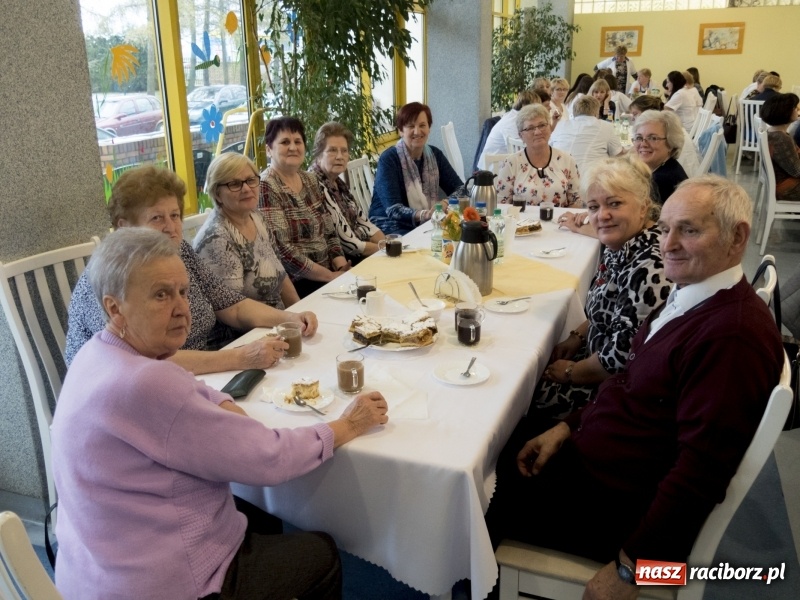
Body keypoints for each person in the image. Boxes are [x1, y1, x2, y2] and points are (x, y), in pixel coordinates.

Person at [486, 175, 784, 600]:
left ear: (737, 237)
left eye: (690, 230)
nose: (668, 244)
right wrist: (567, 426)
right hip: (601, 463)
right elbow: (628, 382)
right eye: (665, 229)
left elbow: (700, 473)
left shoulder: (732, 338)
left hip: (615, 509)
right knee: (502, 437)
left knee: (477, 485)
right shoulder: (693, 295)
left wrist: (631, 570)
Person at [53, 227, 389, 600]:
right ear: (114, 307)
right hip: (164, 583)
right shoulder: (145, 384)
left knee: (253, 512)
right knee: (321, 552)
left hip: (93, 570)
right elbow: (268, 458)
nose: (182, 308)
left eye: (183, 291)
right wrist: (348, 424)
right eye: (161, 295)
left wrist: (220, 404)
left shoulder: (97, 355)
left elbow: (186, 392)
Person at [65, 165, 318, 375]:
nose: (171, 227)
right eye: (157, 218)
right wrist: (240, 357)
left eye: (175, 216)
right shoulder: (106, 279)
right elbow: (144, 362)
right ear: (124, 226)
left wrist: (291, 318)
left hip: (202, 373)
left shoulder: (178, 252)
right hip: (131, 397)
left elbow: (233, 305)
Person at [532, 155, 669, 421]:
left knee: (525, 391)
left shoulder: (650, 267)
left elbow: (620, 359)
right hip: (595, 356)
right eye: (593, 207)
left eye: (614, 204)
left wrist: (571, 372)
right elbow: (605, 309)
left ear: (643, 207)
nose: (602, 216)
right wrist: (577, 336)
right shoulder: (621, 245)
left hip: (617, 390)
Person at [193, 153, 301, 309]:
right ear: (217, 194)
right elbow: (235, 308)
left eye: (251, 180)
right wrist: (289, 319)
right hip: (247, 330)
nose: (246, 189)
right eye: (235, 184)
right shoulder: (216, 238)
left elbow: (280, 273)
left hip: (278, 318)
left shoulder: (256, 216)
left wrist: (299, 311)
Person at [259, 116, 350, 298]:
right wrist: (330, 277)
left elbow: (329, 230)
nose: (293, 147)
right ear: (269, 149)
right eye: (285, 142)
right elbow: (283, 251)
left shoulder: (310, 179)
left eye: (297, 141)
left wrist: (341, 266)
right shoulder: (266, 186)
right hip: (297, 283)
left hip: (329, 273)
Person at [369, 102, 463, 234]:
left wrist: (446, 203)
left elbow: (462, 189)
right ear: (401, 131)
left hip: (423, 223)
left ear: (429, 129)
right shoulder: (389, 159)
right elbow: (393, 210)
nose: (417, 131)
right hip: (388, 226)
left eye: (422, 125)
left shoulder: (435, 155)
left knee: (460, 233)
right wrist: (425, 215)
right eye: (411, 126)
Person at [309, 121, 385, 263]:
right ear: (319, 155)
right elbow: (350, 244)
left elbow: (364, 221)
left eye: (344, 150)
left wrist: (387, 242)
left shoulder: (338, 182)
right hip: (342, 262)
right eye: (332, 150)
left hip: (362, 250)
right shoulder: (315, 184)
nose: (340, 156)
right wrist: (386, 248)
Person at [496, 103, 581, 208]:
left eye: (542, 125)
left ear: (550, 128)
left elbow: (576, 202)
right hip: (521, 223)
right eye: (530, 128)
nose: (537, 132)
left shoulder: (567, 160)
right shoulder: (511, 163)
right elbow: (502, 204)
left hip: (559, 222)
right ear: (521, 136)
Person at [549, 95, 623, 174]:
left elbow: (550, 147)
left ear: (574, 112)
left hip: (557, 176)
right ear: (596, 112)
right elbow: (618, 155)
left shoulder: (560, 125)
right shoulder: (605, 126)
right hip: (589, 179)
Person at [631, 110, 688, 204]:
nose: (643, 144)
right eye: (639, 138)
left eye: (653, 138)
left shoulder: (661, 181)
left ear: (670, 143)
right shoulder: (669, 166)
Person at [478, 90, 541, 169]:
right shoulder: (513, 121)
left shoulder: (513, 116)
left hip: (499, 164)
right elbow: (518, 149)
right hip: (494, 169)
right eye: (535, 107)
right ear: (524, 106)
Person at [761, 93, 800, 201]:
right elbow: (796, 171)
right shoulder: (781, 139)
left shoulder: (773, 132)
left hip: (783, 184)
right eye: (795, 108)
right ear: (785, 112)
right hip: (787, 188)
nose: (797, 110)